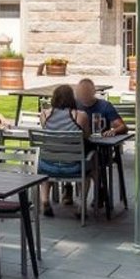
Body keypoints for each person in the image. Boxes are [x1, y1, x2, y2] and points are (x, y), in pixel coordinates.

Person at [39, 84, 90, 212]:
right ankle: (81, 205)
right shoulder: (80, 116)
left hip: (48, 165)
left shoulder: (45, 115)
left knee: (48, 161)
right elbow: (87, 136)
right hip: (72, 166)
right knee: (90, 167)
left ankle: (45, 200)